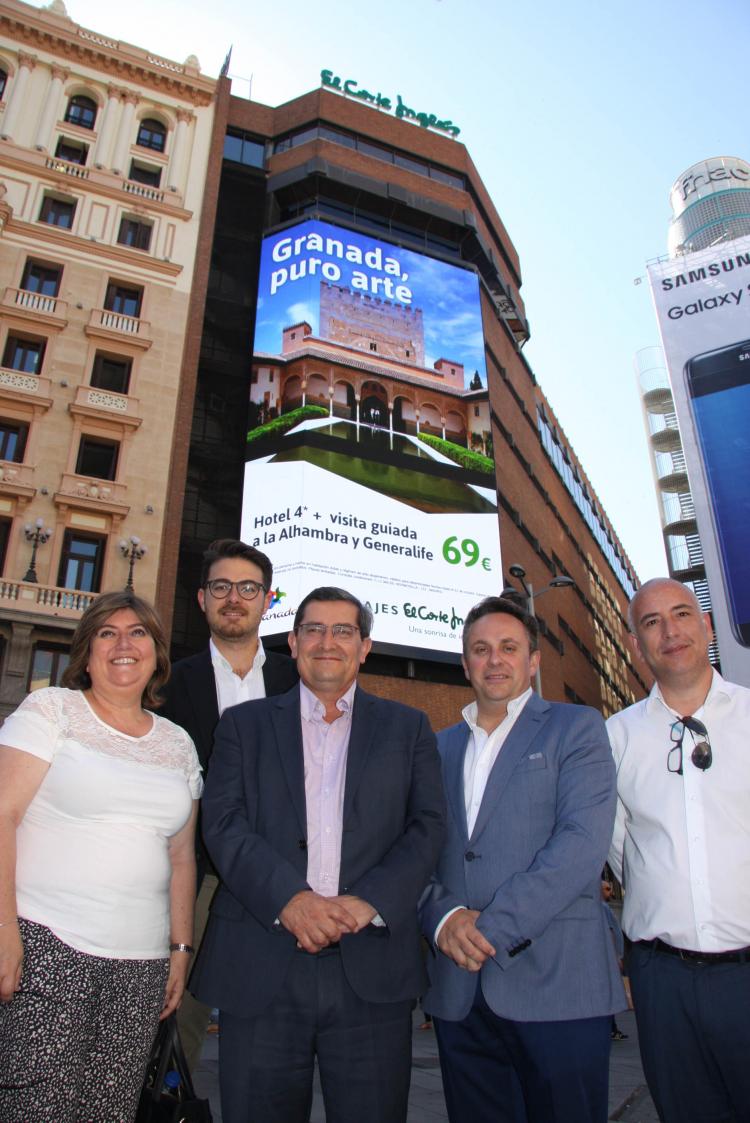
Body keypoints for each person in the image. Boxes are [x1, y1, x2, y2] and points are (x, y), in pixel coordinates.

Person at [190, 586, 445, 1123]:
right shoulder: (243, 726)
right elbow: (223, 822)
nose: (328, 642)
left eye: (343, 631)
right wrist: (291, 900)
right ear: (293, 641)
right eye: (314, 629)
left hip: (370, 968)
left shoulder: (409, 728)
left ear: (365, 647)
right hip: (262, 961)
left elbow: (427, 828)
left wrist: (367, 901)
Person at [420, 595, 626, 1123]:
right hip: (459, 990)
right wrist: (441, 918)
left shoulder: (576, 728)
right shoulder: (434, 748)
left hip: (558, 983)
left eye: (508, 648)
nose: (494, 660)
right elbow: (412, 849)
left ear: (533, 660)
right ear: (464, 662)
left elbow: (581, 844)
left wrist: (491, 927)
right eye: (480, 649)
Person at [0, 591, 201, 1123]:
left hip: (141, 966)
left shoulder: (179, 744)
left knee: (109, 1110)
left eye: (137, 633)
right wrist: (3, 931)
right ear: (86, 651)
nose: (122, 645)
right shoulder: (51, 710)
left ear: (157, 655)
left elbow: (182, 857)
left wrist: (180, 949)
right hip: (47, 946)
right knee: (36, 1107)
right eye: (106, 633)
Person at [608, 577, 750, 1123]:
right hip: (663, 983)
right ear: (635, 645)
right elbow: (620, 849)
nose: (670, 631)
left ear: (707, 626)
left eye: (682, 614)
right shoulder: (614, 739)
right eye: (651, 622)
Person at [160, 538, 298, 1068]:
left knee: (272, 1026)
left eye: (248, 588)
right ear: (202, 599)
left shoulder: (297, 681)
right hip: (195, 877)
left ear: (268, 600)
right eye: (221, 587)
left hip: (281, 876)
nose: (233, 598)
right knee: (178, 1020)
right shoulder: (168, 682)